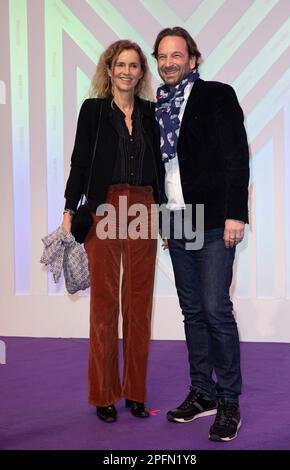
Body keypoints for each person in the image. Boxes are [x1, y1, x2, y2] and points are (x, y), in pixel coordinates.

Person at [152, 27, 249, 441]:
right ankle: (202, 392)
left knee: (215, 310)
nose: (169, 62)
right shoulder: (154, 106)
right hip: (176, 220)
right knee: (192, 312)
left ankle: (228, 400)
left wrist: (235, 214)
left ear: (193, 59)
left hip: (213, 219)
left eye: (177, 55)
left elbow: (236, 155)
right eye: (162, 56)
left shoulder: (216, 95)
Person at [62, 40, 163, 423]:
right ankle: (104, 394)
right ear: (109, 70)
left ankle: (135, 392)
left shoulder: (152, 114)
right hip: (104, 206)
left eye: (134, 66)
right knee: (104, 306)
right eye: (120, 64)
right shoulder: (93, 111)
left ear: (141, 73)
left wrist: (165, 211)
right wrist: (70, 208)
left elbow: (162, 165)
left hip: (144, 206)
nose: (126, 71)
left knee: (139, 305)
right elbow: (78, 162)